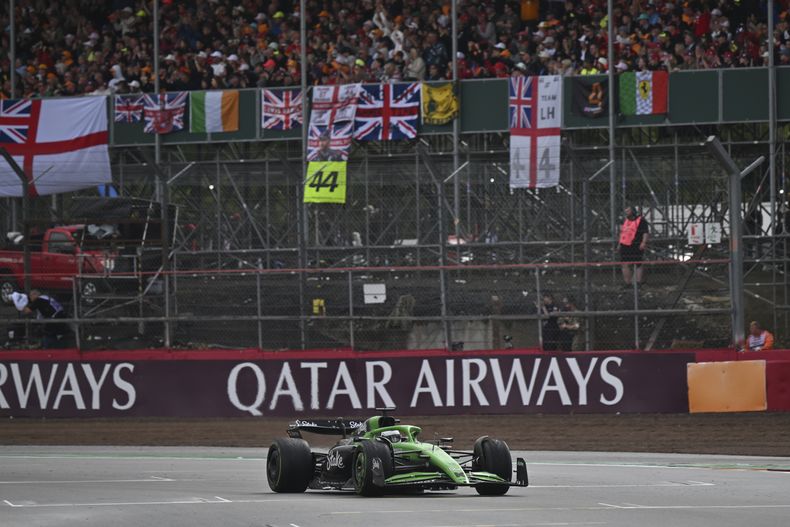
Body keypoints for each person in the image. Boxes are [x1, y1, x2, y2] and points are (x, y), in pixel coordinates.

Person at [618, 206, 649, 286]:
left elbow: (645, 232)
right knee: (625, 264)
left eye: (628, 211)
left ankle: (638, 282)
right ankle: (628, 283)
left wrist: (643, 242)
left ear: (633, 212)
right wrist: (619, 244)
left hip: (636, 244)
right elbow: (622, 233)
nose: (626, 213)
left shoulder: (641, 220)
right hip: (625, 245)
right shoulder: (625, 221)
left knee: (638, 263)